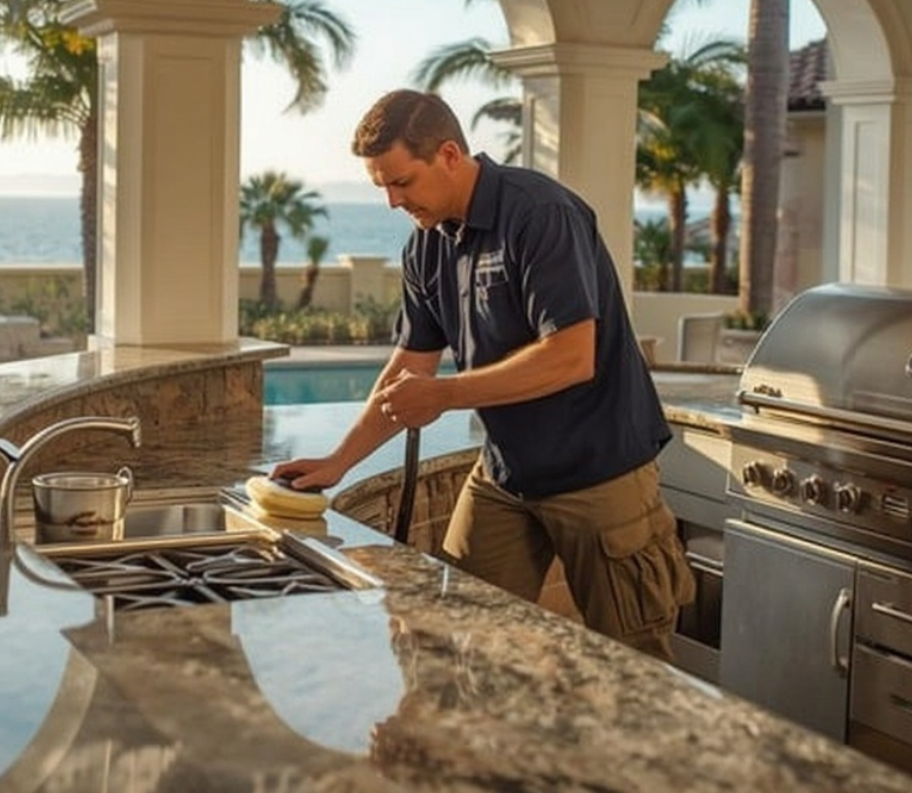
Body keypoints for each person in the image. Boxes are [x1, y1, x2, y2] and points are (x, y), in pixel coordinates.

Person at [271, 89, 695, 660]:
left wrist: (444, 395)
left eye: (402, 182)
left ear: (448, 154)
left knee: (634, 660)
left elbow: (572, 355)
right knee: (456, 636)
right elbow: (409, 365)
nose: (393, 202)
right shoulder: (426, 245)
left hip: (601, 471)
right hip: (506, 473)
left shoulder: (541, 215)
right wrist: (338, 462)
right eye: (382, 188)